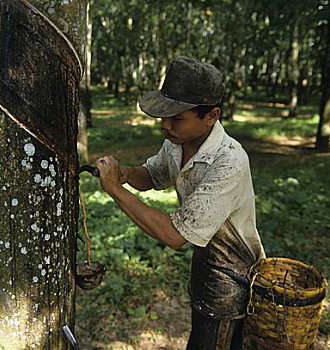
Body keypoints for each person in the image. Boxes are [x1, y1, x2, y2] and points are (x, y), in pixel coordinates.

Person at [94, 56, 266, 350]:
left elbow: (175, 235)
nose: (165, 125)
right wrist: (122, 173)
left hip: (231, 276)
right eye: (164, 116)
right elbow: (151, 175)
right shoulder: (177, 142)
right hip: (205, 264)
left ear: (211, 115)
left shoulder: (229, 161)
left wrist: (114, 189)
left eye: (176, 118)